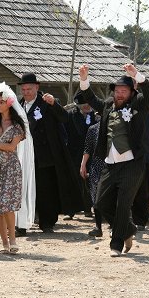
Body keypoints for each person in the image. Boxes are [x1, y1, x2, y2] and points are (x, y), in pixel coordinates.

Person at [78, 63, 149, 257]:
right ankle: (128, 229)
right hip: (110, 163)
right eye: (117, 91)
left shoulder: (139, 104)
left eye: (124, 91)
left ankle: (116, 244)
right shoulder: (107, 106)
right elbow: (89, 98)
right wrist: (84, 78)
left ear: (131, 92)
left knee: (123, 204)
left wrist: (136, 75)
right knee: (101, 202)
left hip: (132, 164)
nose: (120, 94)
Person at [14, 73, 88, 234]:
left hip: (45, 156)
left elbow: (64, 118)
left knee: (46, 190)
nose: (26, 92)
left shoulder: (47, 103)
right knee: (23, 189)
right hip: (24, 155)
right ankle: (21, 224)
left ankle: (47, 222)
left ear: (37, 88)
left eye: (29, 89)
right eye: (24, 89)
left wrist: (54, 104)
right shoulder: (18, 105)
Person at [0, 83, 33, 254]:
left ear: (9, 103)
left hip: (11, 167)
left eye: (1, 102)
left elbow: (11, 147)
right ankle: (4, 242)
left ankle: (13, 240)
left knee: (7, 205)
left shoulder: (18, 126)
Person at [63, 92, 97, 220]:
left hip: (91, 153)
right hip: (74, 152)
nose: (87, 107)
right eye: (84, 105)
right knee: (73, 181)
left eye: (89, 104)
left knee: (89, 180)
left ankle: (88, 209)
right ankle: (70, 210)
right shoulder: (71, 115)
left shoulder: (95, 116)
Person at [80, 119, 104, 237]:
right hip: (97, 165)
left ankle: (114, 226)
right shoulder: (93, 129)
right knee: (96, 196)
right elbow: (88, 148)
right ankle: (98, 226)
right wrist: (83, 164)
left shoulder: (119, 127)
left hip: (114, 166)